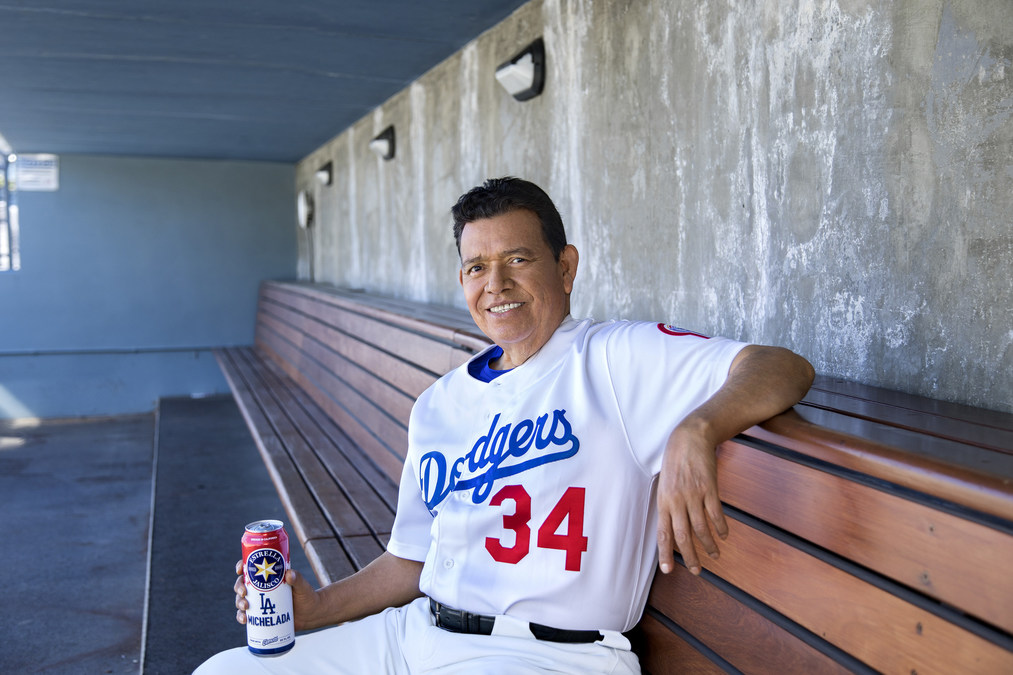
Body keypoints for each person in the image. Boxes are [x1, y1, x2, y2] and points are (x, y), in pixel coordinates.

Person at [195, 177, 814, 674]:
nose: (497, 285)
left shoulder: (613, 359)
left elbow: (780, 367)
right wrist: (315, 610)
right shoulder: (438, 405)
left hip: (545, 655)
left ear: (566, 268)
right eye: (476, 267)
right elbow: (410, 561)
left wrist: (697, 429)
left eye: (519, 259)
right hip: (411, 638)